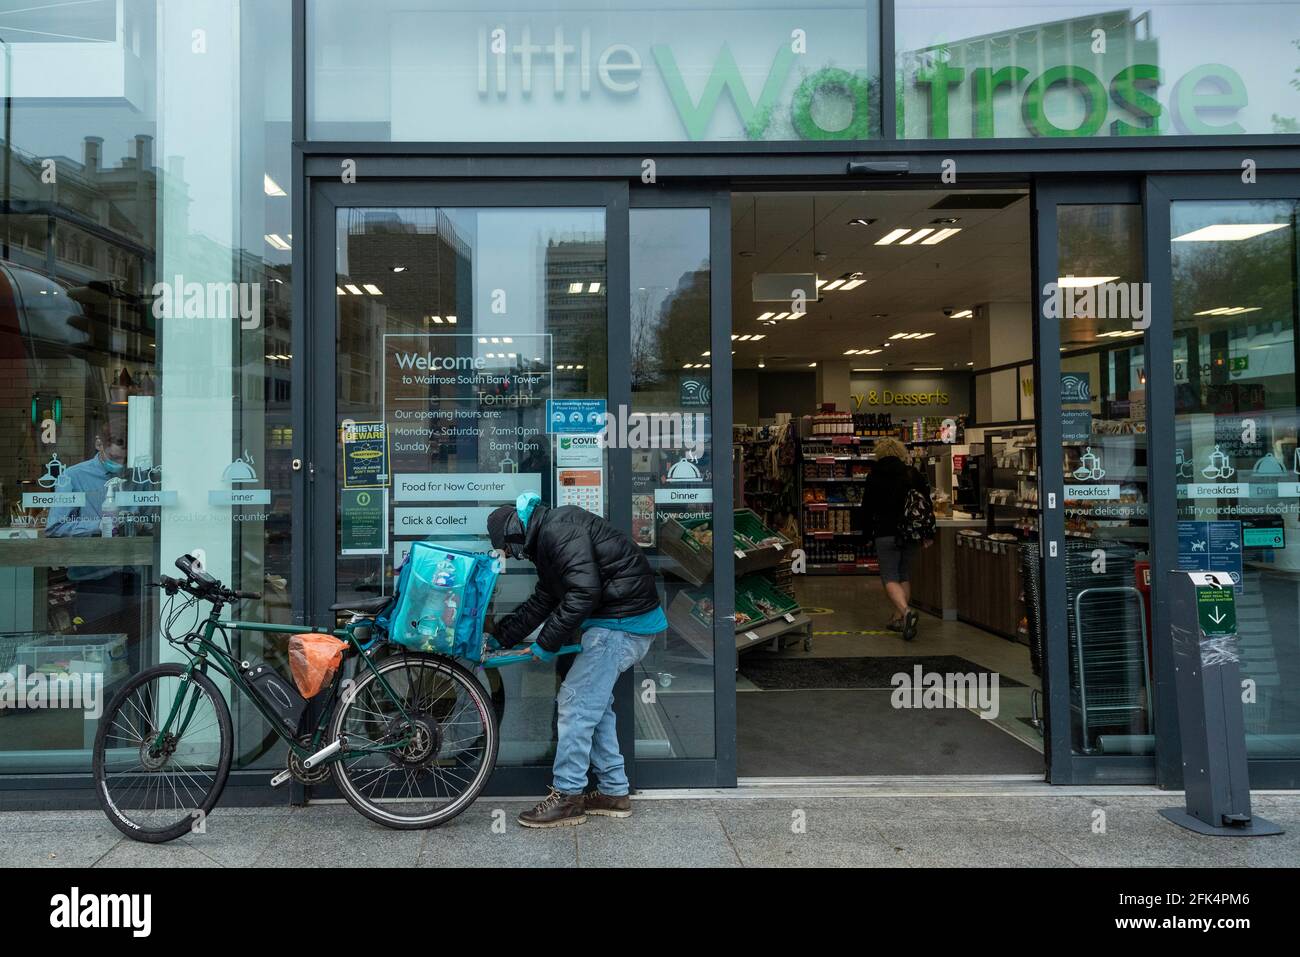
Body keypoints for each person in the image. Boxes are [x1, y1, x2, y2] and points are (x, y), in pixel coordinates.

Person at [487, 491, 665, 828]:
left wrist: (545, 644)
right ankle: (614, 791)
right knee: (594, 708)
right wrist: (499, 637)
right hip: (620, 620)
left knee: (575, 704)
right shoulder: (550, 536)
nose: (513, 555)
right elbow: (544, 600)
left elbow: (584, 592)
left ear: (514, 531)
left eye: (508, 547)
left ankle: (568, 797)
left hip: (620, 624)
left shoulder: (558, 530)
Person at [860, 437, 931, 641]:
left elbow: (867, 508)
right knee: (904, 575)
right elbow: (926, 504)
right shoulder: (912, 473)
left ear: (879, 453)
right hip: (910, 532)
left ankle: (906, 612)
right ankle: (898, 619)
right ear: (901, 452)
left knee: (889, 576)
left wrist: (865, 534)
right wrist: (928, 533)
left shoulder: (874, 476)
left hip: (885, 532)